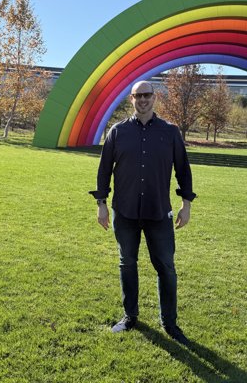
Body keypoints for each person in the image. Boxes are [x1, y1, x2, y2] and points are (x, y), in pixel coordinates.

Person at [89, 80, 196, 345]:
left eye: (147, 95)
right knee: (127, 264)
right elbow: (104, 170)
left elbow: (183, 169)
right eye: (138, 96)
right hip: (124, 212)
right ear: (131, 99)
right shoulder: (117, 131)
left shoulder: (170, 132)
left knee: (166, 268)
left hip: (158, 212)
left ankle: (169, 323)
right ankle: (130, 316)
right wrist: (101, 204)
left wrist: (186, 203)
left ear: (155, 98)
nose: (143, 100)